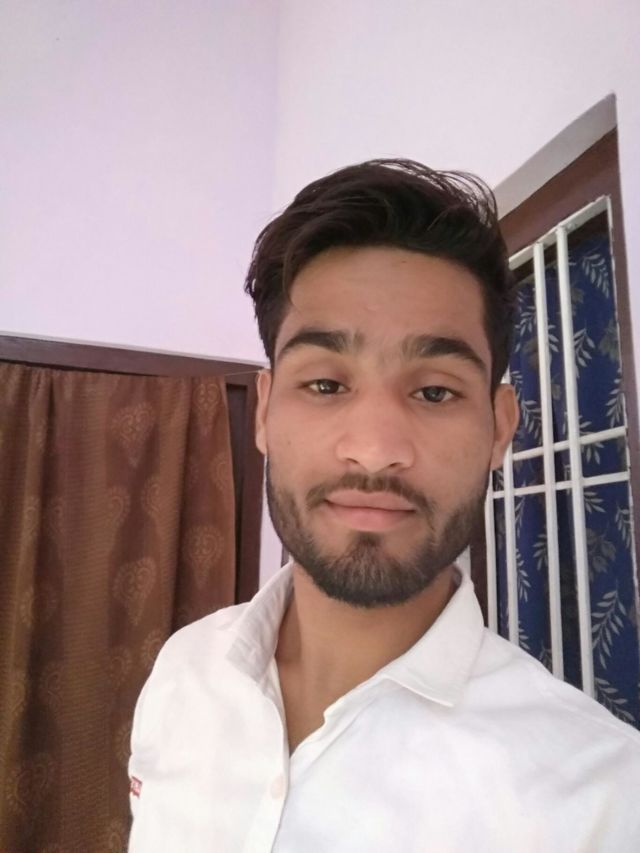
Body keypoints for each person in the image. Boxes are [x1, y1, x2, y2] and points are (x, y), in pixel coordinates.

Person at [127, 160, 640, 852]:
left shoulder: (604, 800)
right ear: (264, 412)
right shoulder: (184, 670)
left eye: (434, 391)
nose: (373, 451)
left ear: (499, 428)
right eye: (326, 384)